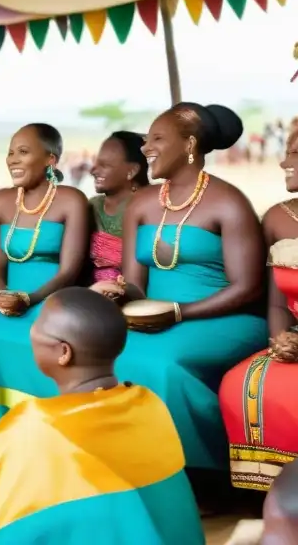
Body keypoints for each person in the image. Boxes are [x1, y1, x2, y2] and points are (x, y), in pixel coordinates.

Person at [0, 287, 204, 545]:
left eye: (39, 324)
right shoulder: (148, 404)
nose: (31, 331)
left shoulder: (34, 427)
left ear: (64, 352)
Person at [98, 104, 267, 475]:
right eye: (146, 139)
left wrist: (178, 312)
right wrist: (113, 293)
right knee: (100, 353)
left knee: (164, 364)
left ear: (190, 144)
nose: (145, 148)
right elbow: (135, 285)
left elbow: (249, 288)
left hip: (226, 317)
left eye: (157, 138)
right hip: (158, 317)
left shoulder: (228, 201)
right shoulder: (141, 204)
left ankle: (201, 474)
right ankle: (127, 468)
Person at [0, 123, 89, 456]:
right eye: (10, 151)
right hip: (10, 299)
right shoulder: (2, 203)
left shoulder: (71, 200)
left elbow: (70, 270)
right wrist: (2, 295)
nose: (12, 159)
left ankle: (48, 438)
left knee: (47, 332)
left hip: (52, 297)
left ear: (51, 158)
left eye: (23, 151)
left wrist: (29, 299)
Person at [219, 129, 298, 490]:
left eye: (295, 154)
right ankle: (272, 498)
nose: (285, 162)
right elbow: (277, 301)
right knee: (242, 382)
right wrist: (279, 341)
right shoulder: (277, 219)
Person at [89, 131, 148, 283]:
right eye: (96, 163)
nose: (93, 170)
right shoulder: (92, 206)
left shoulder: (150, 207)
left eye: (105, 165)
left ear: (132, 171)